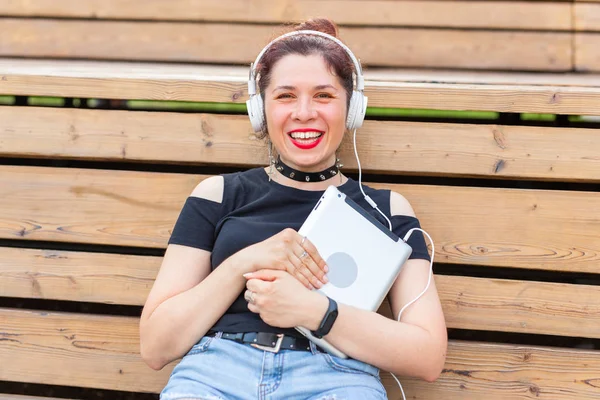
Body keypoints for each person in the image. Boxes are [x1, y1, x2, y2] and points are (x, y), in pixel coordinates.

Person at [140, 18, 447, 400]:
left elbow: (428, 356)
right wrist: (242, 264)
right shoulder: (218, 194)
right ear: (260, 110)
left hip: (337, 378)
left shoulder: (386, 209)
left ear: (352, 110)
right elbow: (155, 346)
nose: (304, 112)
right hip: (215, 372)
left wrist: (315, 312)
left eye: (324, 95)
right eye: (285, 96)